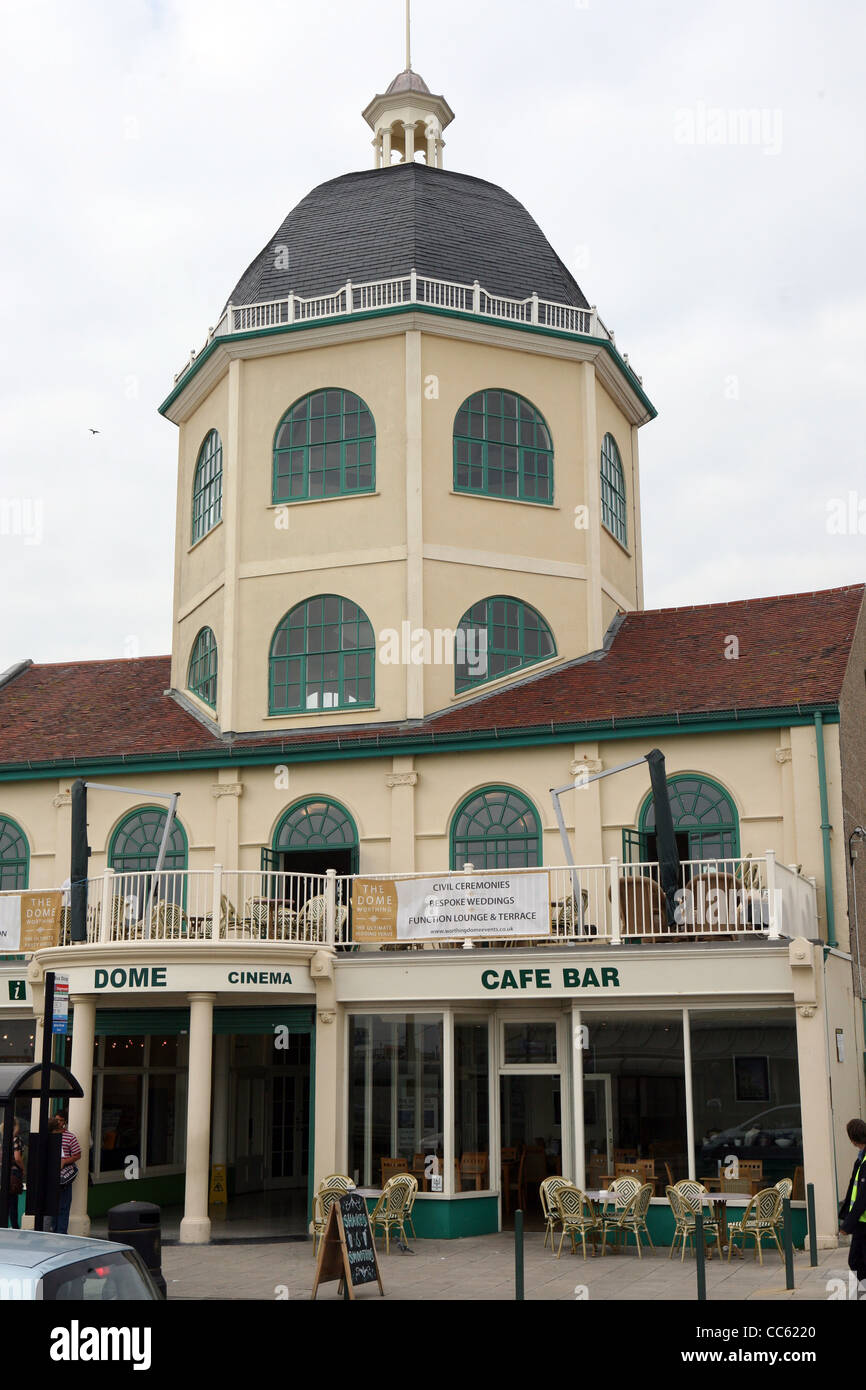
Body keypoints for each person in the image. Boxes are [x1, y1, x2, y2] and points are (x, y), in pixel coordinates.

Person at [838, 1117, 866, 1294]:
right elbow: (853, 1188)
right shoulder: (861, 1158)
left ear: (852, 1139)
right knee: (856, 1260)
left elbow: (863, 1197)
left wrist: (846, 1224)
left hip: (863, 1221)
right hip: (861, 1222)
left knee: (857, 1260)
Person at [51, 1111, 81, 1235]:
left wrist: (65, 1161)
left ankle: (62, 1232)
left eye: (61, 1120)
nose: (58, 1122)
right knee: (52, 1205)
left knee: (63, 1206)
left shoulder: (70, 1137)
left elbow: (78, 1154)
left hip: (64, 1177)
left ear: (65, 1122)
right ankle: (54, 1229)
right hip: (51, 1176)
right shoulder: (50, 1135)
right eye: (56, 1120)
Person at [8, 1121, 25, 1229]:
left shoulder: (5, 1138)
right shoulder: (16, 1139)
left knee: (6, 1200)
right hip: (14, 1173)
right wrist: (23, 1169)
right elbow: (17, 1157)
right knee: (13, 1202)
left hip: (5, 1172)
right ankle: (15, 1227)